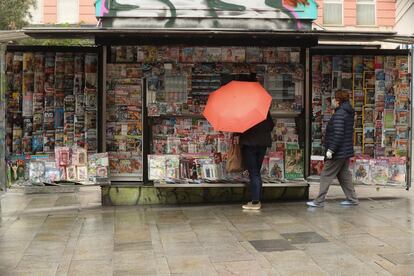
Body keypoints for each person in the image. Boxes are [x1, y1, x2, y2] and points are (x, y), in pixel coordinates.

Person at [307, 90, 359, 207]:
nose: (333, 101)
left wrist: (331, 150)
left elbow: (338, 134)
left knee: (326, 174)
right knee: (344, 175)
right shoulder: (348, 112)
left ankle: (319, 201)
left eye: (334, 99)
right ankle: (352, 199)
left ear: (338, 101)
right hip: (345, 151)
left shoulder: (340, 114)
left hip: (338, 152)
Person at [240, 112, 275, 210]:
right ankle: (257, 199)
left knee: (253, 173)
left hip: (249, 144)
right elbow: (271, 125)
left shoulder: (245, 112)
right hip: (262, 144)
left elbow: (240, 129)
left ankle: (255, 201)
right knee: (256, 172)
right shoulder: (263, 110)